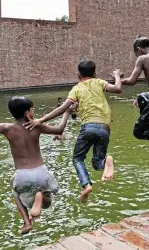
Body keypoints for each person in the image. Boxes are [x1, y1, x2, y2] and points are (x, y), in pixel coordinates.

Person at [25, 59, 122, 203]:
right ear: (95, 74)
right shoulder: (100, 82)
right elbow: (118, 89)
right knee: (97, 163)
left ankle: (86, 185)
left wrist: (41, 120)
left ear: (78, 75)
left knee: (77, 158)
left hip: (88, 127)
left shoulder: (76, 88)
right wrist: (117, 76)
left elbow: (61, 109)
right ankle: (107, 161)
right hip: (105, 128)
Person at [0, 96, 71, 235]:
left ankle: (26, 223)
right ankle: (41, 196)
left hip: (22, 175)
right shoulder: (37, 126)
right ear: (27, 113)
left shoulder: (6, 128)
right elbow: (60, 129)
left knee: (16, 194)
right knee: (48, 202)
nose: (34, 111)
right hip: (41, 173)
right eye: (32, 109)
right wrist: (67, 113)